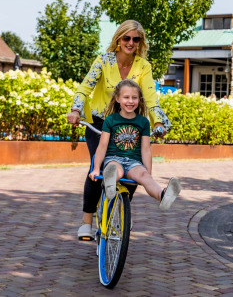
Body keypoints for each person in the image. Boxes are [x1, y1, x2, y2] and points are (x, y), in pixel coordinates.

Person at [66, 20, 172, 240]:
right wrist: (75, 110)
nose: (130, 43)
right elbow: (84, 88)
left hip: (128, 125)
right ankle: (87, 221)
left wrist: (159, 122)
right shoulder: (103, 61)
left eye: (136, 39)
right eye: (126, 38)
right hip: (99, 123)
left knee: (134, 168)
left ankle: (122, 210)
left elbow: (151, 99)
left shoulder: (143, 66)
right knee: (97, 164)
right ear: (118, 39)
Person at [89, 79, 180, 210]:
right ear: (117, 99)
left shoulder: (143, 122)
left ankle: (163, 196)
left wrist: (148, 173)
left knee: (143, 175)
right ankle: (109, 186)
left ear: (139, 100)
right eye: (126, 97)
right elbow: (102, 146)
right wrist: (97, 168)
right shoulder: (111, 120)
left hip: (134, 163)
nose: (130, 101)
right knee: (115, 171)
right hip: (114, 159)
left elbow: (145, 149)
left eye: (134, 98)